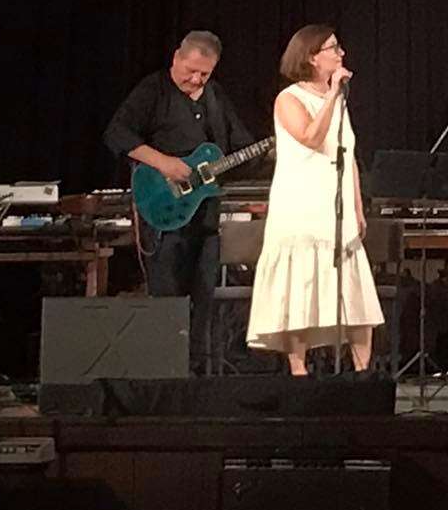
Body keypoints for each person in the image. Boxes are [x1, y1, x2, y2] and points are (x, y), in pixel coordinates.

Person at [103, 29, 260, 376]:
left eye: (205, 73)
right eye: (191, 71)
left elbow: (240, 144)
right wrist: (164, 163)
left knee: (203, 301)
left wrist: (261, 154)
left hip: (205, 217)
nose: (196, 79)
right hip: (164, 214)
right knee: (168, 301)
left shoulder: (215, 96)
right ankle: (165, 376)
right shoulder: (154, 90)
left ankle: (197, 375)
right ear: (176, 57)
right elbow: (117, 133)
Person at [247, 25, 381, 375]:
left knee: (356, 296)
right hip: (301, 208)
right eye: (333, 48)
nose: (341, 53)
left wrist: (357, 207)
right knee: (300, 288)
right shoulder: (289, 99)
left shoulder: (338, 102)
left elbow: (347, 154)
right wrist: (333, 94)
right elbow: (311, 137)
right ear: (311, 57)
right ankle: (299, 371)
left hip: (336, 208)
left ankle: (363, 372)